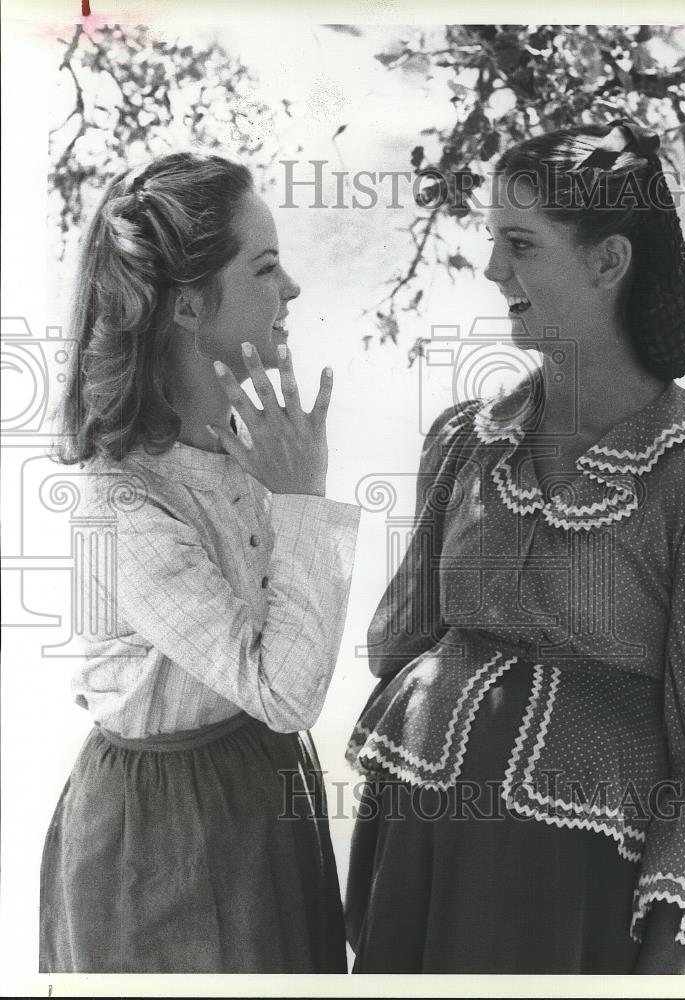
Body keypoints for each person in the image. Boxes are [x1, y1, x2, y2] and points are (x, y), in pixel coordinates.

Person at [345, 122, 685, 974]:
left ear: (609, 262)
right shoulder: (465, 440)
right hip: (424, 875)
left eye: (521, 245)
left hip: (579, 905)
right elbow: (399, 650)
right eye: (494, 242)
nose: (495, 272)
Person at [39, 151, 360, 973]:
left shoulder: (246, 444)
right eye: (265, 267)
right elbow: (287, 692)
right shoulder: (121, 505)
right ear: (187, 305)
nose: (290, 290)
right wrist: (303, 500)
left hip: (261, 791)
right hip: (156, 838)